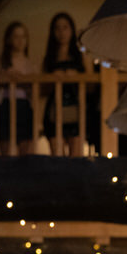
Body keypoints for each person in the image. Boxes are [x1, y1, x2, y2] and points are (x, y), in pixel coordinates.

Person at [41, 12, 86, 158]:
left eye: (65, 27)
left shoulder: (80, 55)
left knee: (75, 158)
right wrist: (52, 78)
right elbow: (42, 89)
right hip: (54, 110)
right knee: (57, 158)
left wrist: (76, 76)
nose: (61, 32)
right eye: (57, 28)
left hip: (76, 108)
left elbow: (91, 85)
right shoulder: (49, 57)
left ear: (72, 30)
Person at [0, 21, 35, 156]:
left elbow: (34, 90)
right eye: (16, 37)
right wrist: (5, 76)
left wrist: (22, 80)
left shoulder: (30, 63)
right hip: (5, 105)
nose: (20, 41)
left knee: (25, 150)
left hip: (23, 107)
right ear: (9, 39)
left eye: (23, 37)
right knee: (5, 150)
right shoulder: (0, 61)